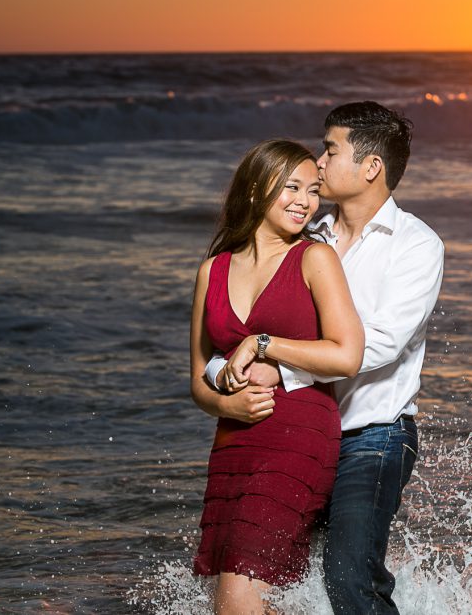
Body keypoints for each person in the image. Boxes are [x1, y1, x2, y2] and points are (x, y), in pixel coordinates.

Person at [205, 102, 445, 614]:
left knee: (348, 576)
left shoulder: (416, 245)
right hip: (297, 435)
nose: (319, 160)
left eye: (331, 149)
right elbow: (242, 321)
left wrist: (275, 361)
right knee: (274, 578)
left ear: (371, 167)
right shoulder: (308, 237)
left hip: (372, 434)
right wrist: (228, 376)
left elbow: (376, 344)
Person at [188, 139, 364, 614]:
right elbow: (198, 380)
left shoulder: (314, 259)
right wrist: (226, 403)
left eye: (312, 190)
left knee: (237, 594)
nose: (305, 201)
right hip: (233, 444)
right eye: (291, 187)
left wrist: (263, 344)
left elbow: (347, 355)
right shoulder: (213, 271)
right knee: (246, 591)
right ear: (254, 191)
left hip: (298, 439)